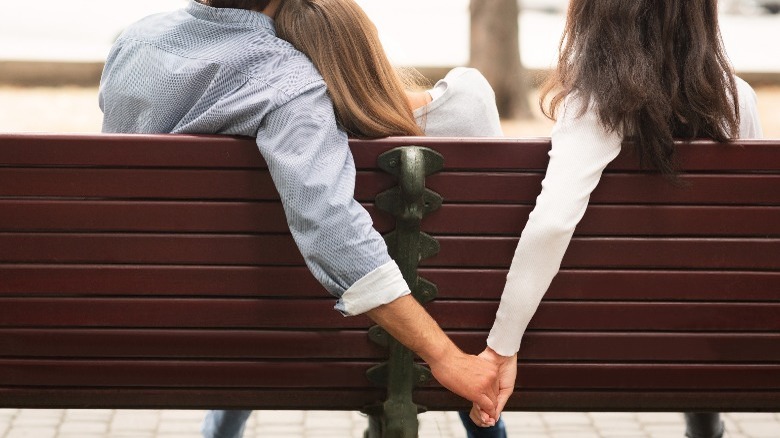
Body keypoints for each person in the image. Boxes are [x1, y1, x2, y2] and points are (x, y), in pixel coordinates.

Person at [98, 0, 502, 433]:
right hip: (314, 331)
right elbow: (330, 230)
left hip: (155, 313)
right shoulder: (286, 83)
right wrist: (444, 356)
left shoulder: (135, 40)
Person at [467, 1, 763, 438]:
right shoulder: (738, 98)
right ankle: (705, 421)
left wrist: (500, 348)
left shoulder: (592, 107)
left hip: (598, 350)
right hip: (712, 348)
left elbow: (552, 223)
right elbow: (745, 238)